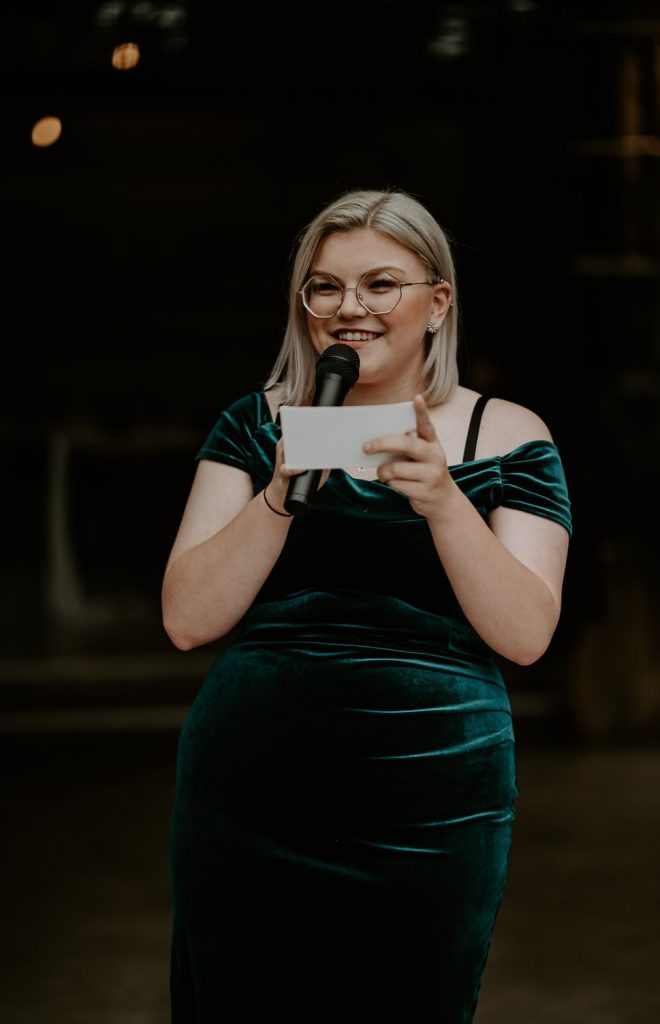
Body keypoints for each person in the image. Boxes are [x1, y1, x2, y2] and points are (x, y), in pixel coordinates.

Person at [162, 188, 572, 1023]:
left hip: (432, 797)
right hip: (253, 789)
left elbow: (526, 636)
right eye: (324, 287)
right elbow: (186, 620)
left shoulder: (508, 434)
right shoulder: (256, 424)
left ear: (436, 301)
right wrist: (278, 494)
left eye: (379, 284)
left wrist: (444, 503)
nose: (348, 308)